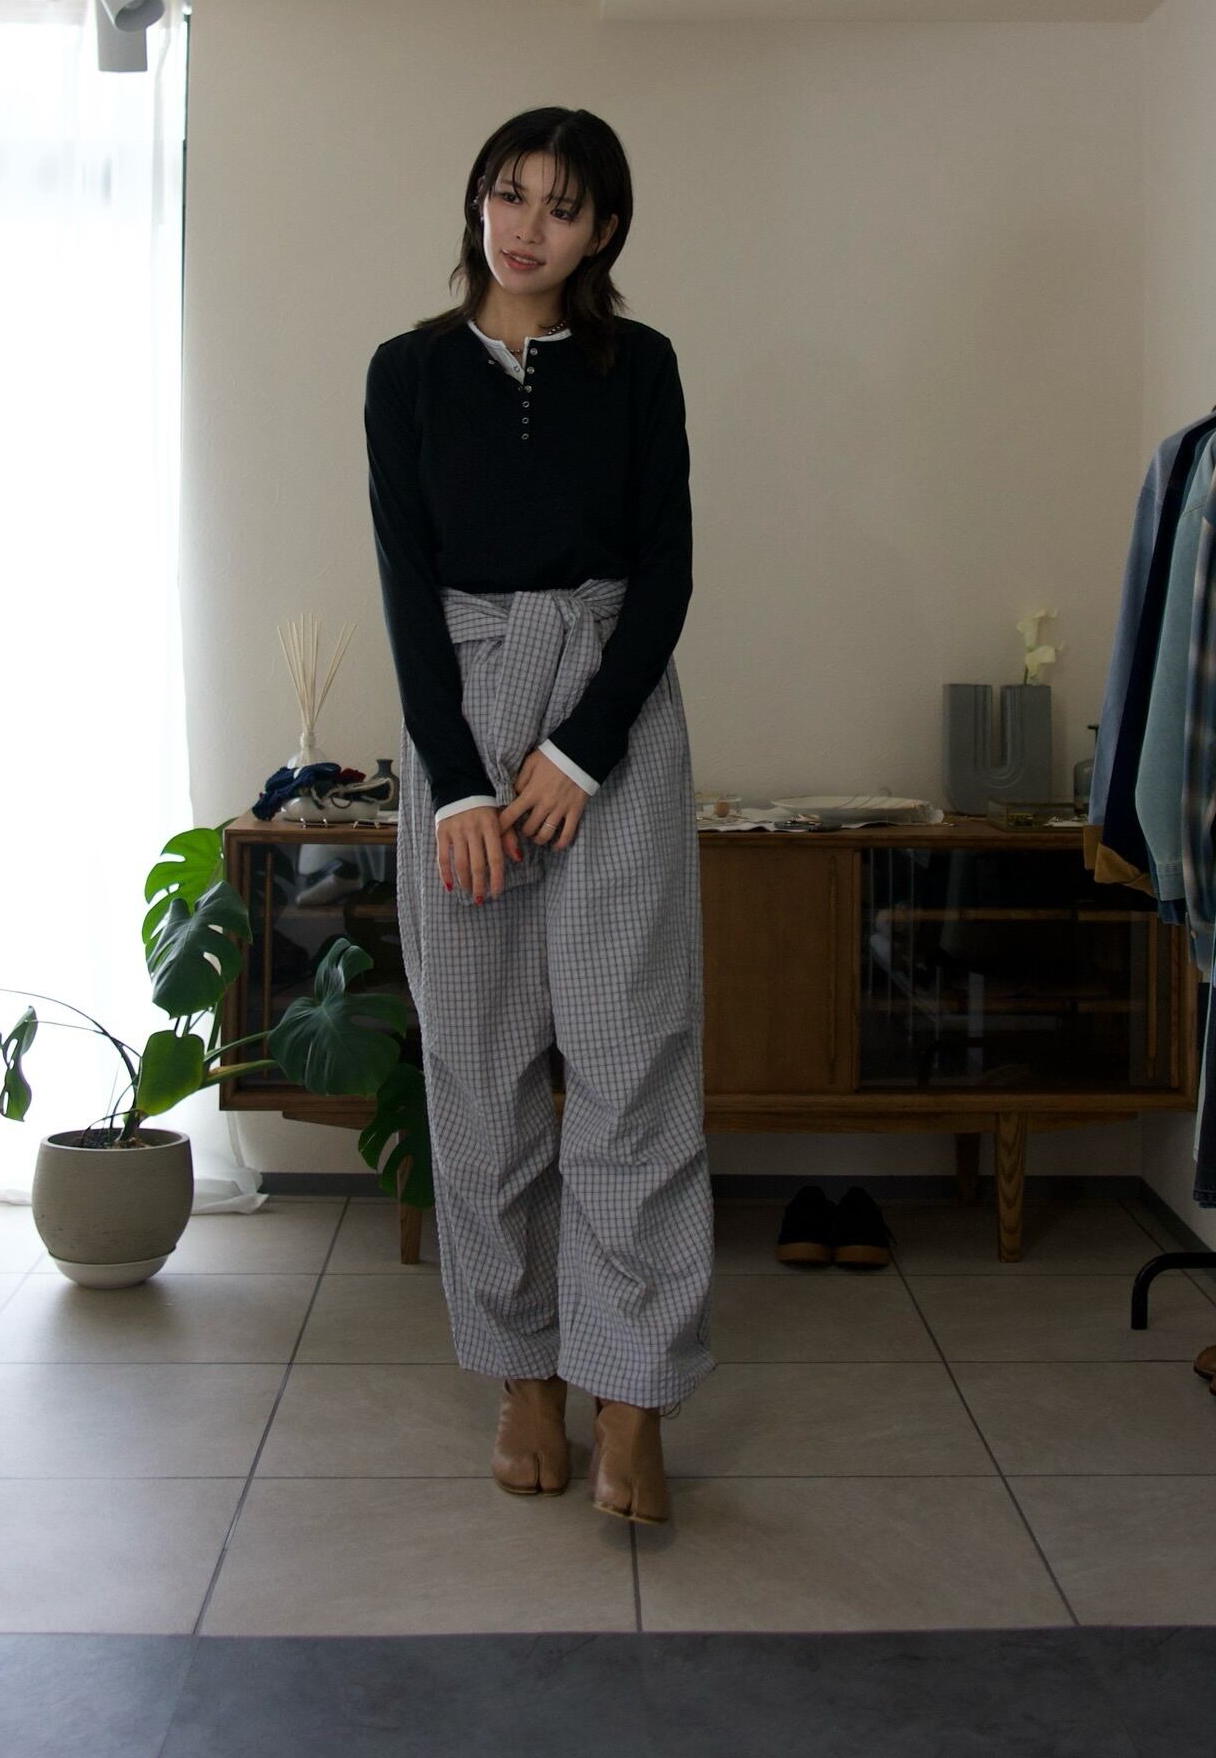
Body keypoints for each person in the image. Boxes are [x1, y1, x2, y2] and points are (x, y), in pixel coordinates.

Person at [363, 104, 715, 1526]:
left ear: (603, 231)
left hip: (610, 718)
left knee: (631, 1064)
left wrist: (581, 751)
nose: (525, 227)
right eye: (508, 195)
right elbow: (404, 584)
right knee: (481, 1063)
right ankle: (524, 1375)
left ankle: (632, 1395)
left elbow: (668, 573)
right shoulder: (406, 373)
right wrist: (457, 778)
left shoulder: (644, 368)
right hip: (462, 712)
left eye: (561, 208)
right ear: (477, 200)